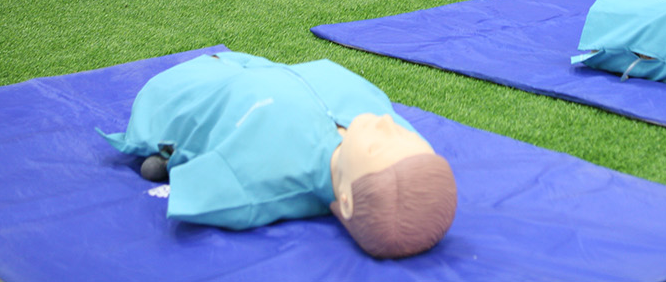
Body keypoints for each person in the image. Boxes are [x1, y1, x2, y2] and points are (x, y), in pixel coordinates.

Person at [100, 51, 457, 259]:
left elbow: (211, 188)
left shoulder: (268, 178)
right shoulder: (376, 121)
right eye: (404, 134)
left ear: (346, 200)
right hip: (282, 72)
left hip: (219, 89)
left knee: (174, 110)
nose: (385, 124)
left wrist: (173, 157)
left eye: (378, 145)